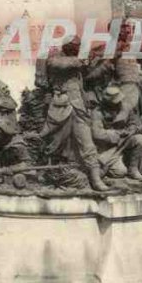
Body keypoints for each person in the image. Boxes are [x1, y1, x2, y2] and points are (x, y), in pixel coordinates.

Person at [41, 36, 108, 191]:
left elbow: (90, 74)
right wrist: (82, 60)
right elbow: (58, 65)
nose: (79, 49)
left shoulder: (77, 61)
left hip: (78, 108)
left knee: (87, 143)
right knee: (54, 145)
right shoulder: (55, 58)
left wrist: (102, 61)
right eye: (76, 46)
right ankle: (50, 174)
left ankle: (96, 179)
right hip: (60, 109)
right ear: (67, 46)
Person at [91, 86, 142, 181]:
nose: (119, 103)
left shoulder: (126, 107)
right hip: (107, 147)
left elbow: (133, 122)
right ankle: (116, 163)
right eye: (115, 102)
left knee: (140, 139)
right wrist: (119, 134)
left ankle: (133, 169)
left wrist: (132, 129)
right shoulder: (97, 112)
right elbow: (97, 134)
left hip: (125, 141)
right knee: (120, 172)